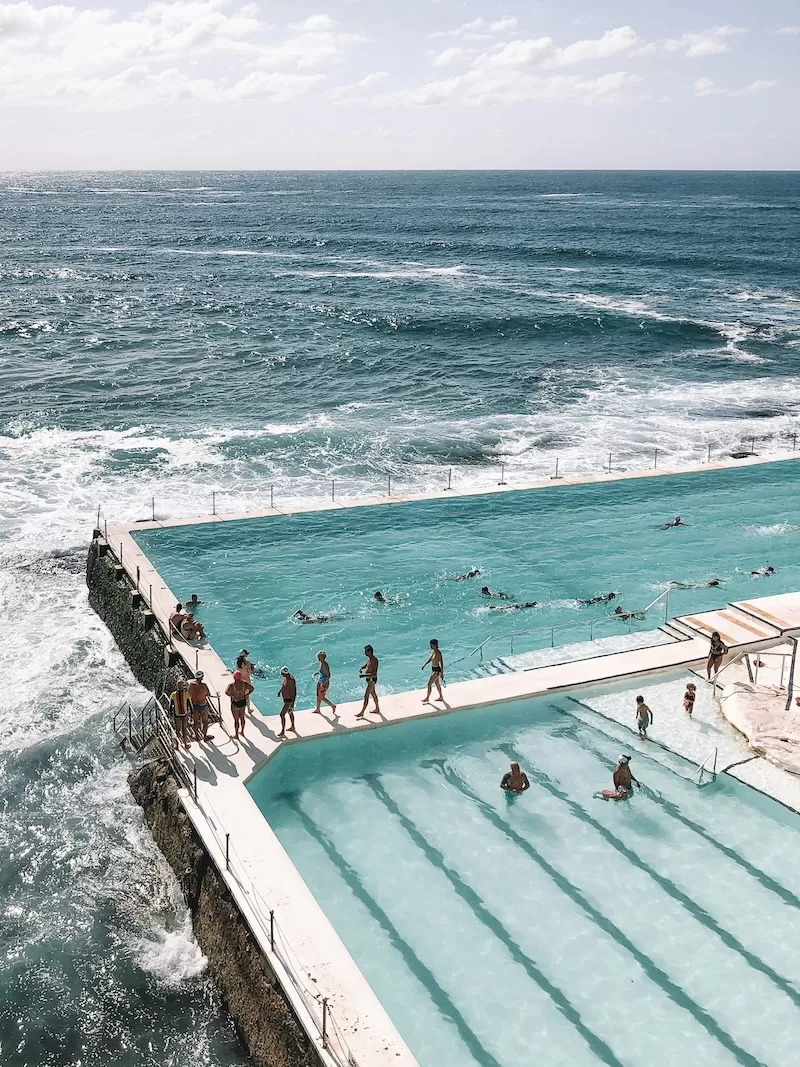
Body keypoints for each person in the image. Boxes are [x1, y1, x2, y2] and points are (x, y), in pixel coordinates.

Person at [226, 669, 253, 740]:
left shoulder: (231, 685)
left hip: (235, 702)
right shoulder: (244, 684)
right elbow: (252, 688)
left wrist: (233, 696)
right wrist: (246, 694)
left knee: (236, 720)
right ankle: (242, 732)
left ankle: (236, 735)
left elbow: (226, 692)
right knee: (242, 718)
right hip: (243, 701)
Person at [188, 670, 213, 742]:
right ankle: (205, 736)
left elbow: (188, 694)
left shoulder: (191, 685)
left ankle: (197, 736)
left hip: (194, 705)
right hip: (202, 705)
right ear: (202, 677)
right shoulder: (204, 685)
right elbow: (208, 694)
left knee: (195, 721)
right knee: (205, 721)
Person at [356, 645, 380, 718]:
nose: (364, 653)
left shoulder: (374, 660)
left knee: (366, 695)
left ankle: (362, 712)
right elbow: (366, 665)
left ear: (369, 652)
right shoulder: (369, 658)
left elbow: (374, 674)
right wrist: (361, 668)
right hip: (368, 679)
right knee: (373, 694)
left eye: (365, 651)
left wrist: (363, 675)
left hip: (372, 680)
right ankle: (377, 708)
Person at [169, 678, 193, 748]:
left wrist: (170, 714)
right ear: (183, 686)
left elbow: (170, 705)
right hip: (184, 714)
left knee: (177, 729)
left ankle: (177, 745)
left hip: (177, 714)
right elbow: (190, 705)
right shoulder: (186, 694)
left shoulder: (173, 694)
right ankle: (185, 744)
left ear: (177, 687)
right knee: (184, 729)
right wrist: (191, 713)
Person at [422, 638, 445, 704]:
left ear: (435, 645)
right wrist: (424, 664)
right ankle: (441, 696)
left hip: (437, 671)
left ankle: (427, 698)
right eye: (430, 645)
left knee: (429, 684)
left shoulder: (438, 653)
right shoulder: (433, 651)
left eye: (431, 645)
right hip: (433, 669)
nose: (430, 647)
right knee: (437, 684)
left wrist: (442, 674)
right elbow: (430, 659)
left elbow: (441, 663)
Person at [314, 651, 336, 715]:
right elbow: (322, 672)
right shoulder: (321, 663)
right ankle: (318, 709)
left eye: (319, 657)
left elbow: (328, 676)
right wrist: (317, 673)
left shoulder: (325, 664)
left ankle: (332, 706)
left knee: (321, 697)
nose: (317, 658)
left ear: (322, 657)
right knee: (318, 696)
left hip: (324, 683)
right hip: (320, 681)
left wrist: (323, 683)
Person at [276, 666, 297, 737]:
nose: (281, 674)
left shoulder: (291, 680)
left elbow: (294, 692)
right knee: (290, 712)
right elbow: (284, 685)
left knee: (282, 714)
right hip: (285, 699)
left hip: (289, 700)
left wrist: (293, 703)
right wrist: (280, 691)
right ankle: (293, 726)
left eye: (282, 673)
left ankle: (282, 731)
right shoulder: (285, 677)